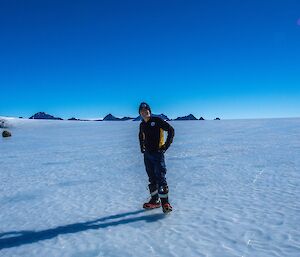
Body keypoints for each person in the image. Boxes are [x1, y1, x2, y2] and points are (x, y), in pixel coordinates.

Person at [138, 102, 175, 213]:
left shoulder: (157, 121)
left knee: (161, 178)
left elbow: (171, 130)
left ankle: (165, 203)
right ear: (140, 113)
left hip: (157, 154)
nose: (145, 112)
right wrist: (142, 148)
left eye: (146, 110)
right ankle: (155, 201)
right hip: (147, 155)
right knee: (152, 178)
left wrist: (165, 146)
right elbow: (141, 136)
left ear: (150, 111)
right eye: (142, 111)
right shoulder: (142, 124)